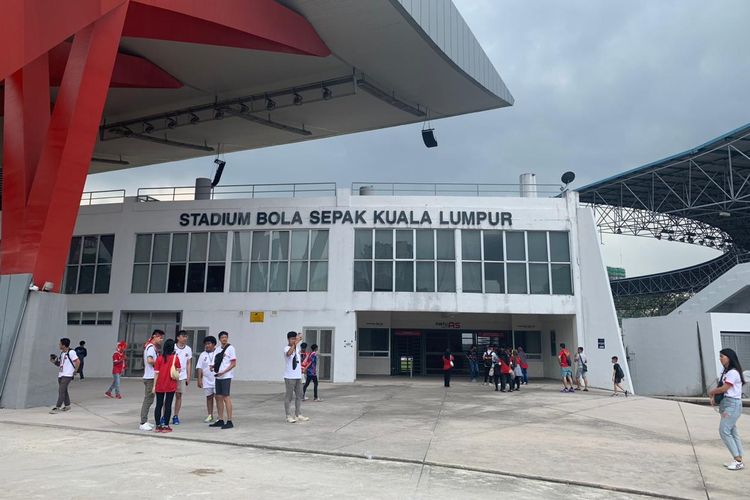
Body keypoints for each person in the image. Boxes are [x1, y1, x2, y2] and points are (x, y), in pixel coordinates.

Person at [708, 348, 745, 470]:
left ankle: (737, 460)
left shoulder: (733, 373)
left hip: (732, 405)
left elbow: (724, 388)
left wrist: (711, 392)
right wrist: (714, 397)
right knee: (732, 431)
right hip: (727, 403)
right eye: (719, 356)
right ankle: (738, 458)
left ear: (729, 357)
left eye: (722, 356)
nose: (720, 359)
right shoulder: (726, 371)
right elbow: (721, 387)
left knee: (724, 430)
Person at [152, 338, 181, 433]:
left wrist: (154, 386)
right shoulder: (175, 358)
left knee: (158, 405)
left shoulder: (159, 358)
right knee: (168, 405)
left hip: (160, 385)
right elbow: (179, 370)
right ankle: (166, 426)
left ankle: (157, 426)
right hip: (170, 385)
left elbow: (156, 373)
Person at [210, 331, 237, 429]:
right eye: (222, 337)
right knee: (218, 397)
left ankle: (229, 420)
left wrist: (224, 372)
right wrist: (212, 367)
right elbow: (215, 361)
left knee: (226, 397)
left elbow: (233, 363)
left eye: (225, 337)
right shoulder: (217, 349)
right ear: (219, 339)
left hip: (226, 376)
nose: (224, 339)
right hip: (218, 376)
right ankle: (220, 419)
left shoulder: (231, 348)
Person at [139, 329, 164, 431]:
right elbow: (149, 360)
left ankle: (145, 421)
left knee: (150, 400)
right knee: (148, 400)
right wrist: (159, 364)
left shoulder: (152, 347)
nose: (161, 340)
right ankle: (143, 422)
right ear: (155, 336)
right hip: (150, 377)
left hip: (151, 377)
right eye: (160, 337)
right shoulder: (150, 348)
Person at [284, 331, 309, 423]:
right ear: (288, 339)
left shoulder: (297, 348)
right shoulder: (286, 348)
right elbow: (289, 354)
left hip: (298, 376)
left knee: (299, 395)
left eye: (295, 338)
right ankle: (288, 415)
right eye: (292, 339)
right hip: (289, 377)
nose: (294, 340)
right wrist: (295, 344)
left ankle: (298, 414)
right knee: (289, 397)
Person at [49, 338, 80, 413]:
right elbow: (60, 364)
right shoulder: (62, 353)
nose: (59, 345)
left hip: (68, 375)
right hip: (61, 374)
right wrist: (54, 361)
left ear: (64, 345)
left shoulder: (71, 352)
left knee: (61, 390)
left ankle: (57, 407)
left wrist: (75, 371)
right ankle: (67, 405)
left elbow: (78, 361)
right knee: (64, 390)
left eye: (60, 344)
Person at [172, 330, 193, 425]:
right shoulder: (173, 347)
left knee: (179, 396)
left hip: (182, 376)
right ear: (178, 337)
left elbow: (188, 363)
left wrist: (188, 376)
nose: (185, 338)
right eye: (183, 336)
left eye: (186, 336)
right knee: (168, 396)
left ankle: (175, 416)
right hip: (172, 375)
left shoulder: (188, 349)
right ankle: (164, 416)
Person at [196, 336, 218, 423]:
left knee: (218, 397)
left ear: (213, 344)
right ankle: (210, 415)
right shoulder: (203, 354)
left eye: (209, 344)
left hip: (217, 379)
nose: (207, 346)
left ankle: (220, 416)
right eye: (206, 344)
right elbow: (199, 368)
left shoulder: (218, 352)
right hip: (206, 379)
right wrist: (199, 379)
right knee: (209, 397)